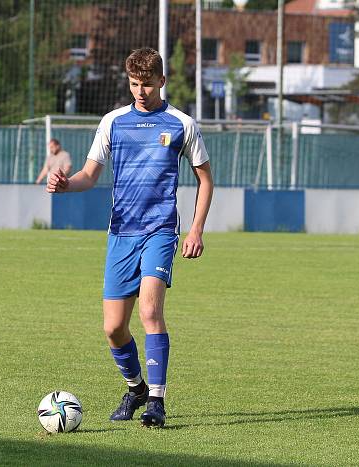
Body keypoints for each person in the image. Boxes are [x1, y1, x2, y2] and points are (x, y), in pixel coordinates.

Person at [46, 47, 213, 428]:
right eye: (135, 84)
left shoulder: (181, 124)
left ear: (162, 81)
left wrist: (196, 230)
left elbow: (205, 178)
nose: (141, 91)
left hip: (160, 230)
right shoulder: (112, 122)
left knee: (151, 312)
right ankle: (135, 387)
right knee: (113, 328)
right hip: (121, 232)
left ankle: (156, 400)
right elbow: (89, 174)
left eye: (148, 85)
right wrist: (65, 184)